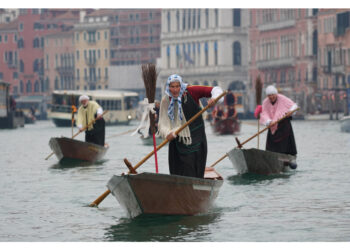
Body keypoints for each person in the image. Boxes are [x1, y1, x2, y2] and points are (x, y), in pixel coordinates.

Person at [157, 74, 224, 178]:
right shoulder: (166, 100)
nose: (175, 90)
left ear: (181, 85)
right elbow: (163, 124)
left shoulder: (192, 91)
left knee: (194, 168)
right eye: (172, 87)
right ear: (168, 87)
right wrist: (167, 133)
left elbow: (216, 90)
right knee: (178, 171)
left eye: (177, 86)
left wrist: (214, 99)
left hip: (197, 137)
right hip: (177, 140)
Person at [255, 85, 298, 168]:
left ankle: (288, 159)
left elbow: (294, 106)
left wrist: (290, 111)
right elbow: (264, 114)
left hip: (284, 125)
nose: (271, 97)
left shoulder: (282, 98)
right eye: (269, 95)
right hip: (272, 126)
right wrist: (268, 121)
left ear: (275, 94)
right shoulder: (265, 102)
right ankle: (271, 160)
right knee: (272, 146)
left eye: (272, 94)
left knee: (285, 145)